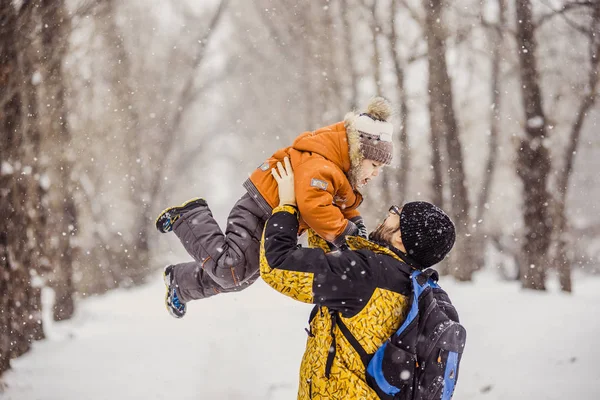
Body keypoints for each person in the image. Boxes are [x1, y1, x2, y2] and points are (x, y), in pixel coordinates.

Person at [155, 97, 395, 318]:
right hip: (259, 210)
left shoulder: (340, 173)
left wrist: (357, 226)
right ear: (357, 153)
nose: (375, 173)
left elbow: (344, 205)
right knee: (230, 270)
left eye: (380, 169)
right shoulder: (322, 164)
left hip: (271, 219)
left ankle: (180, 282)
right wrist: (346, 233)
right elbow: (314, 207)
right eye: (373, 164)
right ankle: (189, 217)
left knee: (241, 278)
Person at [260, 158, 456, 399]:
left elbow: (277, 266)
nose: (389, 213)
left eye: (397, 214)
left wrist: (287, 205)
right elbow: (337, 258)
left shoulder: (368, 275)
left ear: (401, 240)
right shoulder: (409, 282)